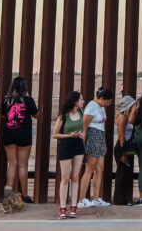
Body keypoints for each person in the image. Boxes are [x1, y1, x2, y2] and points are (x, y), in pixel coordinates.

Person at [1, 77, 38, 203]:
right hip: (24, 134)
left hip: (9, 133)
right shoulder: (28, 100)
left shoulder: (6, 100)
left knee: (12, 164)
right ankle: (25, 195)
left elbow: (3, 115)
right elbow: (36, 115)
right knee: (23, 165)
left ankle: (8, 194)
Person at [78, 87, 115, 208]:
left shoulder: (101, 107)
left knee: (100, 169)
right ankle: (81, 199)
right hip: (92, 137)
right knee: (90, 169)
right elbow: (84, 126)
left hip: (100, 137)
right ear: (102, 98)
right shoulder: (91, 106)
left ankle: (96, 198)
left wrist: (103, 142)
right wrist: (83, 143)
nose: (108, 104)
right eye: (108, 101)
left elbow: (102, 125)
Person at [54, 91, 86, 219]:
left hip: (78, 145)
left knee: (75, 177)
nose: (83, 101)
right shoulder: (63, 116)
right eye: (81, 99)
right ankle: (62, 208)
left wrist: (82, 135)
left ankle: (74, 206)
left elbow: (83, 128)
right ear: (75, 101)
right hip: (66, 145)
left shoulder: (80, 113)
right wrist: (69, 135)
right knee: (65, 178)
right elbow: (55, 134)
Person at [113, 95, 137, 206]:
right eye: (133, 105)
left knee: (126, 174)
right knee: (121, 174)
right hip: (122, 147)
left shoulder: (127, 117)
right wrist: (124, 152)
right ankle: (119, 199)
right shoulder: (122, 118)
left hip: (127, 146)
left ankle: (124, 198)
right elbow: (121, 135)